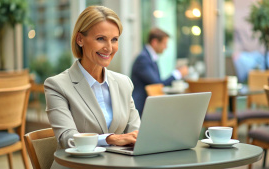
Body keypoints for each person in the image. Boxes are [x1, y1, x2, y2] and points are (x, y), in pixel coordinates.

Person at [44, 6, 140, 169]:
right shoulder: (57, 85)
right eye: (101, 39)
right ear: (80, 39)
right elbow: (68, 138)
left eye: (114, 39)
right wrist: (109, 139)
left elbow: (136, 133)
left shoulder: (124, 83)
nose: (109, 48)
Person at [131, 28, 188, 117]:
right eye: (164, 43)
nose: (166, 47)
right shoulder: (143, 59)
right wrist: (178, 73)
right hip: (141, 108)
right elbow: (157, 83)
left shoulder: (149, 57)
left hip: (148, 106)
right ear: (154, 42)